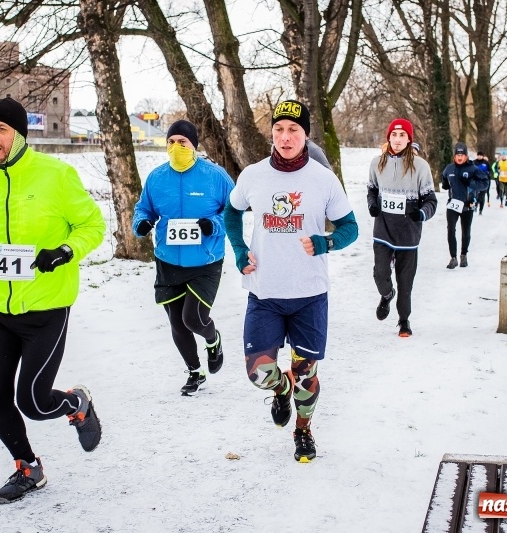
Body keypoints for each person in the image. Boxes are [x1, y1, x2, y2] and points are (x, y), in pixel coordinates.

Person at [0, 97, 106, 504]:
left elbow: (93, 225)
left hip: (47, 308)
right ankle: (28, 467)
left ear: (19, 135)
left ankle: (77, 403)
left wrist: (65, 251)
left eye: (0, 130)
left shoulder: (56, 175)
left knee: (33, 402)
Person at [224, 99, 358, 463]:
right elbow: (231, 211)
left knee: (307, 373)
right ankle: (281, 389)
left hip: (309, 295)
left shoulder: (322, 178)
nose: (285, 137)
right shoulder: (253, 175)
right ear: (272, 133)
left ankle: (303, 431)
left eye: (293, 130)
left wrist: (325, 242)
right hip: (264, 292)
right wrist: (238, 249)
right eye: (279, 129)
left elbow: (350, 228)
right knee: (259, 373)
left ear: (305, 135)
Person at [132, 119, 234, 396]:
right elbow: (144, 209)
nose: (176, 147)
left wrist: (213, 224)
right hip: (168, 259)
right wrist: (141, 222)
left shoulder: (215, 176)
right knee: (177, 322)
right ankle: (195, 372)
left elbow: (234, 211)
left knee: (193, 319)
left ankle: (212, 340)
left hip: (205, 260)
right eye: (171, 142)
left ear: (194, 145)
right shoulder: (156, 177)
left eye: (183, 142)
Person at [366, 118, 437, 337]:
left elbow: (431, 200)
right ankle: (387, 295)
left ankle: (404, 320)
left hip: (408, 233)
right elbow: (371, 190)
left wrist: (422, 213)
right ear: (389, 138)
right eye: (394, 135)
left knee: (405, 281)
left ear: (409, 139)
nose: (397, 140)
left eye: (402, 136)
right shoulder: (377, 163)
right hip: (383, 230)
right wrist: (373, 205)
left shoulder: (420, 166)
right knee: (380, 273)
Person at [441, 142, 489, 269]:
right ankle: (453, 258)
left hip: (468, 204)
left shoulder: (473, 169)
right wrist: (445, 184)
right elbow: (444, 178)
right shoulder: (449, 168)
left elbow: (485, 183)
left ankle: (463, 255)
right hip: (453, 204)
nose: (460, 157)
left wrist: (471, 183)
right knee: (451, 229)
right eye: (457, 154)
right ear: (454, 156)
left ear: (466, 156)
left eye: (462, 155)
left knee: (465, 231)